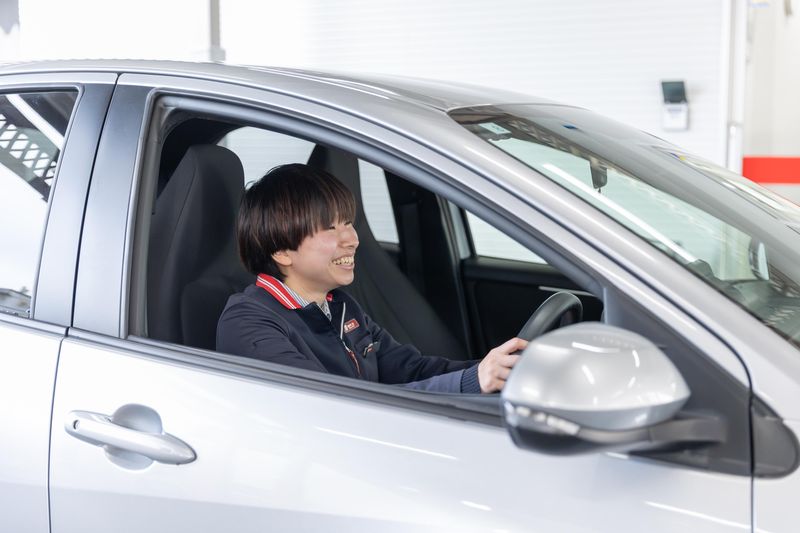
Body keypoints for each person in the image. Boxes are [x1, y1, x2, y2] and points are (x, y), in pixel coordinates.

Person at [217, 163, 526, 393]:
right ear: (282, 251)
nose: (352, 239)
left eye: (348, 223)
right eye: (331, 228)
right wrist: (470, 382)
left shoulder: (340, 306)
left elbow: (410, 369)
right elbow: (333, 407)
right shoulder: (248, 322)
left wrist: (499, 367)